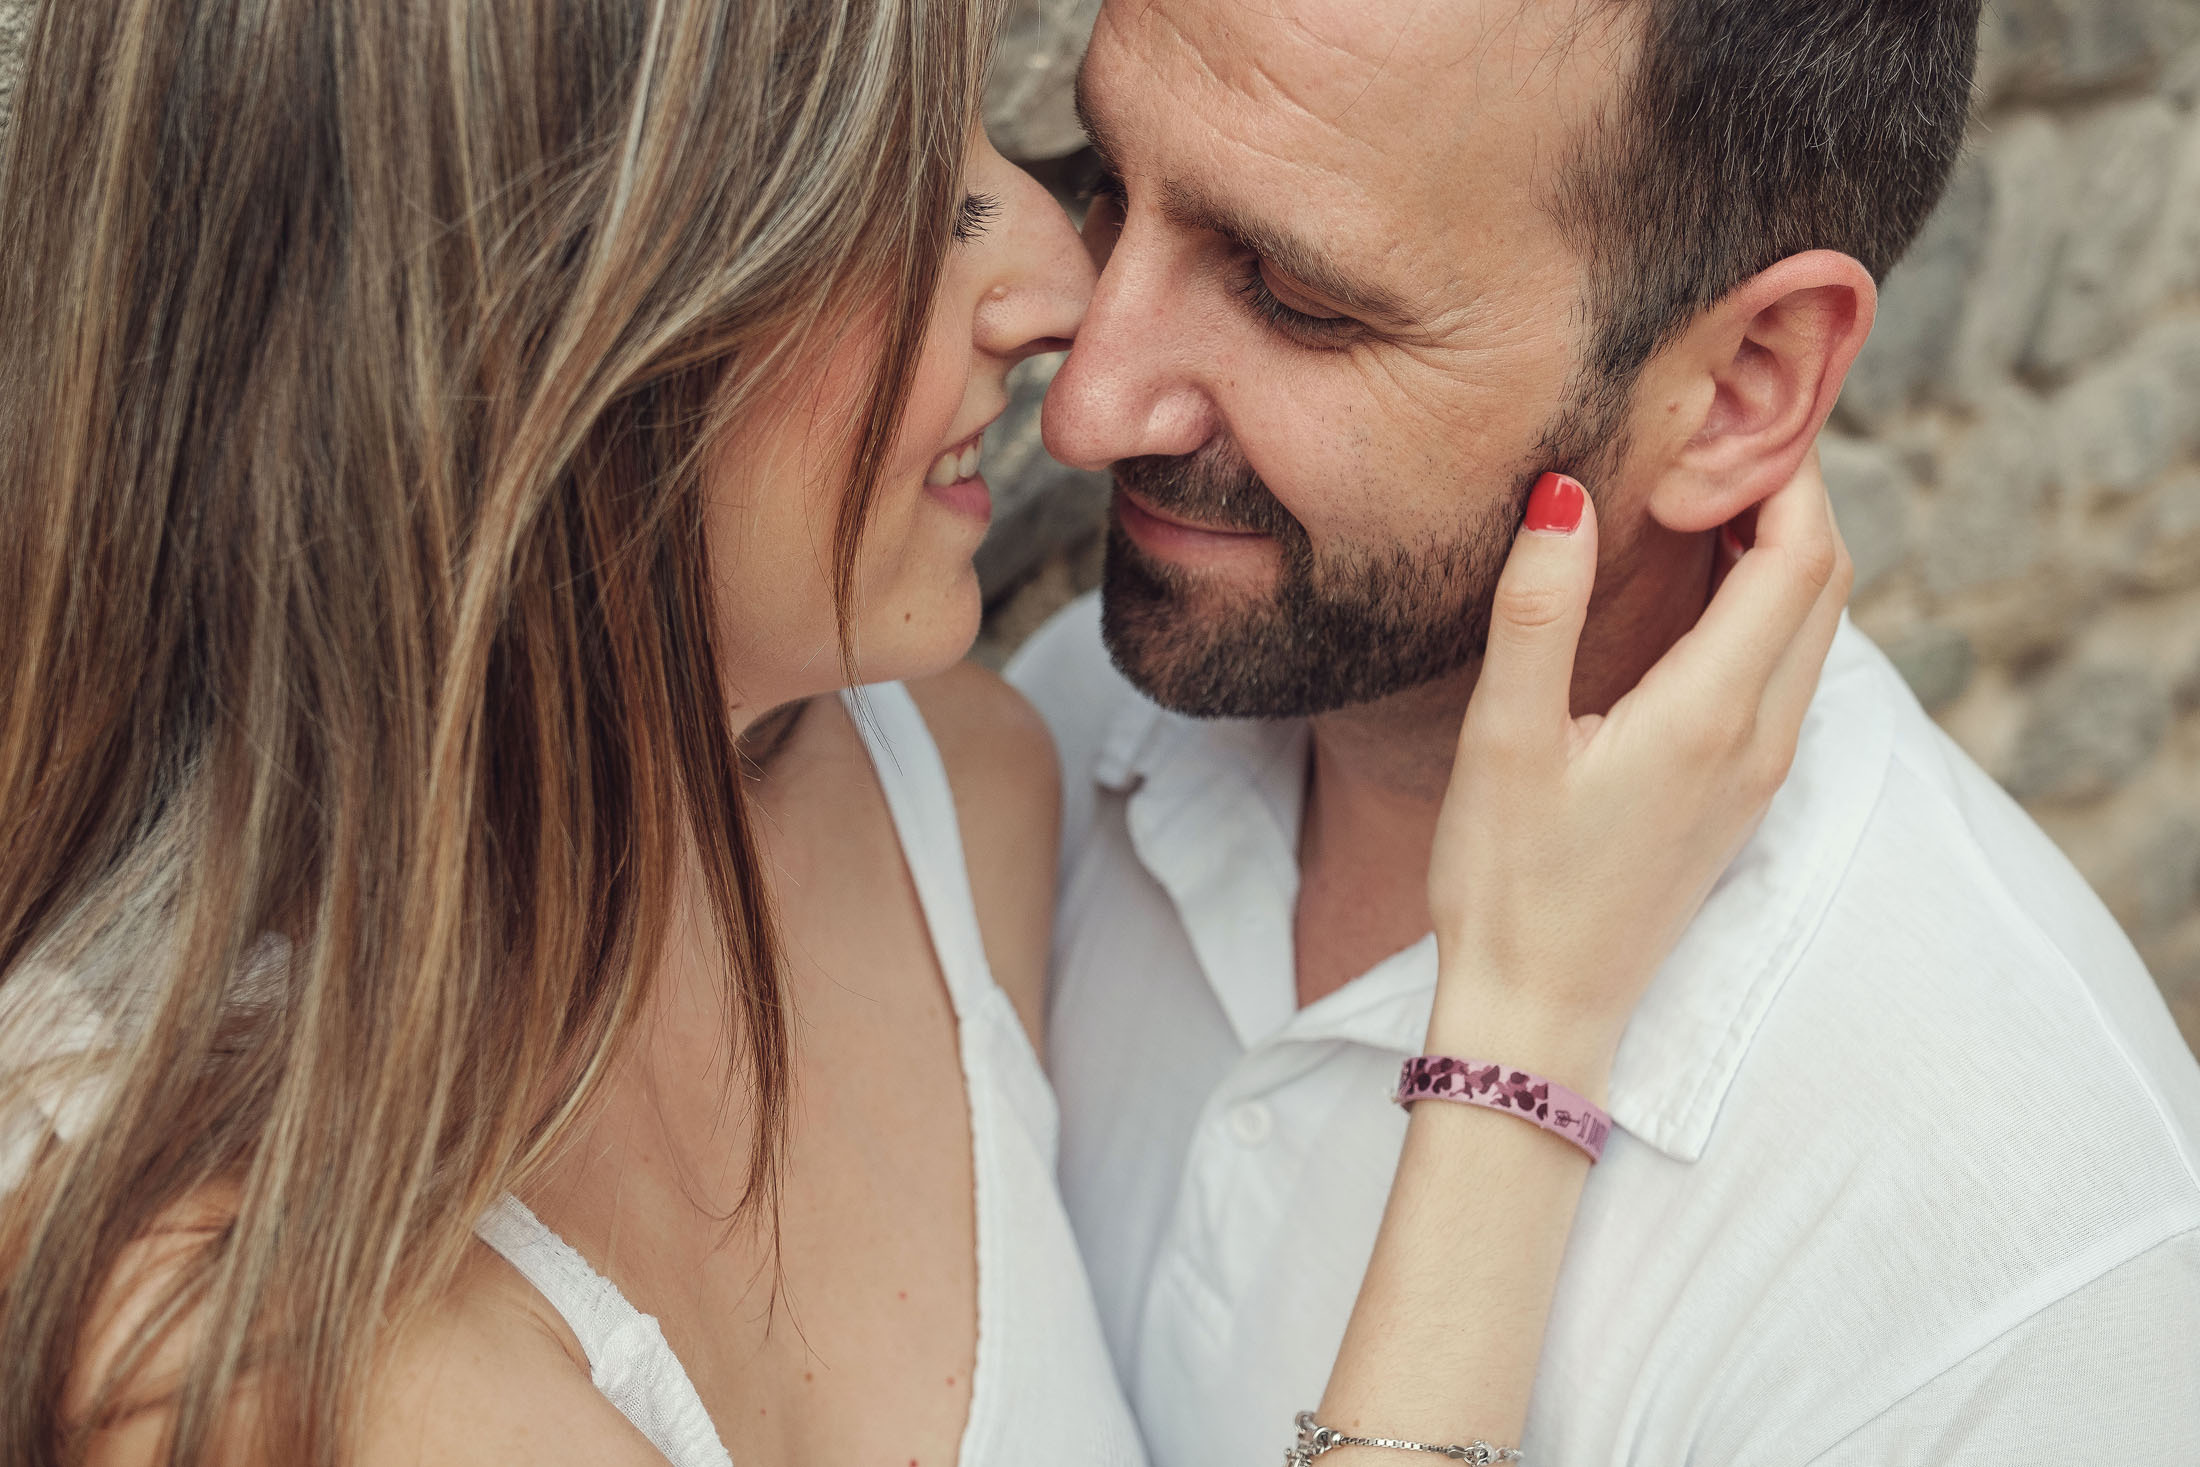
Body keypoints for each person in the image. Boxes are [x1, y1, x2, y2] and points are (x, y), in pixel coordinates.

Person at [0, 2, 1848, 1466]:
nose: (1058, 294)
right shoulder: (207, 1320)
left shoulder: (960, 793)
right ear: (538, 335)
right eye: (900, 190)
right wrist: (1523, 1033)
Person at [1008, 0, 2200, 1462]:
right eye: (1105, 187)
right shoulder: (1049, 732)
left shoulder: (2011, 1288)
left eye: (1289, 293)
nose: (1084, 410)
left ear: (1742, 386)